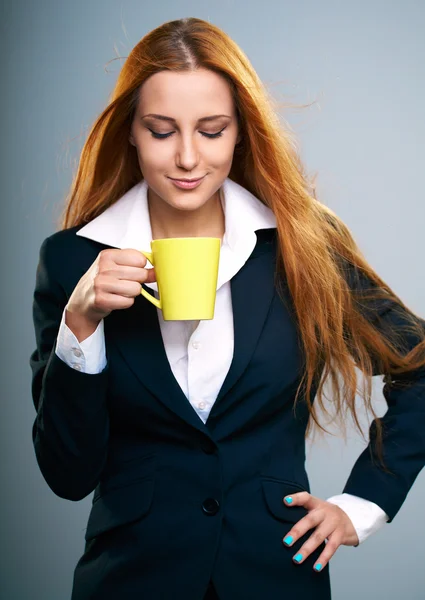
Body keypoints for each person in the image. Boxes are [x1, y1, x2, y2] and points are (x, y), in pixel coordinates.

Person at [29, 17, 425, 600]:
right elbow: (67, 476)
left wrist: (363, 504)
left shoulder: (302, 246)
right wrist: (81, 325)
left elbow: (418, 363)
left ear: (241, 133)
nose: (188, 157)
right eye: (162, 131)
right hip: (130, 582)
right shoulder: (71, 262)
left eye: (211, 130)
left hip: (275, 578)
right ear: (131, 135)